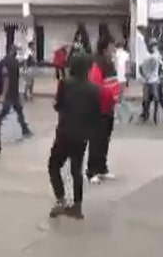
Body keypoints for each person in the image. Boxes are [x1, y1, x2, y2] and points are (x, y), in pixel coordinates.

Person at [48, 54, 101, 220]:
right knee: (76, 170)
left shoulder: (65, 84)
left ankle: (60, 199)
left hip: (64, 133)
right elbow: (96, 115)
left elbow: (58, 106)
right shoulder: (94, 89)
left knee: (54, 165)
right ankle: (77, 206)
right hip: (82, 136)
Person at [87, 36, 120, 184]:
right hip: (98, 109)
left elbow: (113, 82)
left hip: (109, 107)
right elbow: (95, 87)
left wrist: (116, 97)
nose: (114, 49)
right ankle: (91, 171)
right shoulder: (97, 65)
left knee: (104, 140)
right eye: (112, 46)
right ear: (105, 48)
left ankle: (102, 168)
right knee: (96, 141)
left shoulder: (110, 63)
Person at [0, 45, 33, 139]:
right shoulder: (12, 62)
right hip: (11, 92)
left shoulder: (3, 62)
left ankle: (24, 129)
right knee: (8, 111)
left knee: (16, 110)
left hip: (10, 91)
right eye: (14, 50)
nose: (15, 52)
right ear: (10, 51)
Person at [114, 40, 135, 124]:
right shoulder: (126, 55)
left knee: (116, 99)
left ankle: (117, 117)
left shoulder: (114, 55)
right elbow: (128, 68)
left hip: (115, 79)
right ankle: (130, 111)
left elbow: (114, 66)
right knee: (120, 98)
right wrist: (127, 80)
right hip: (123, 79)